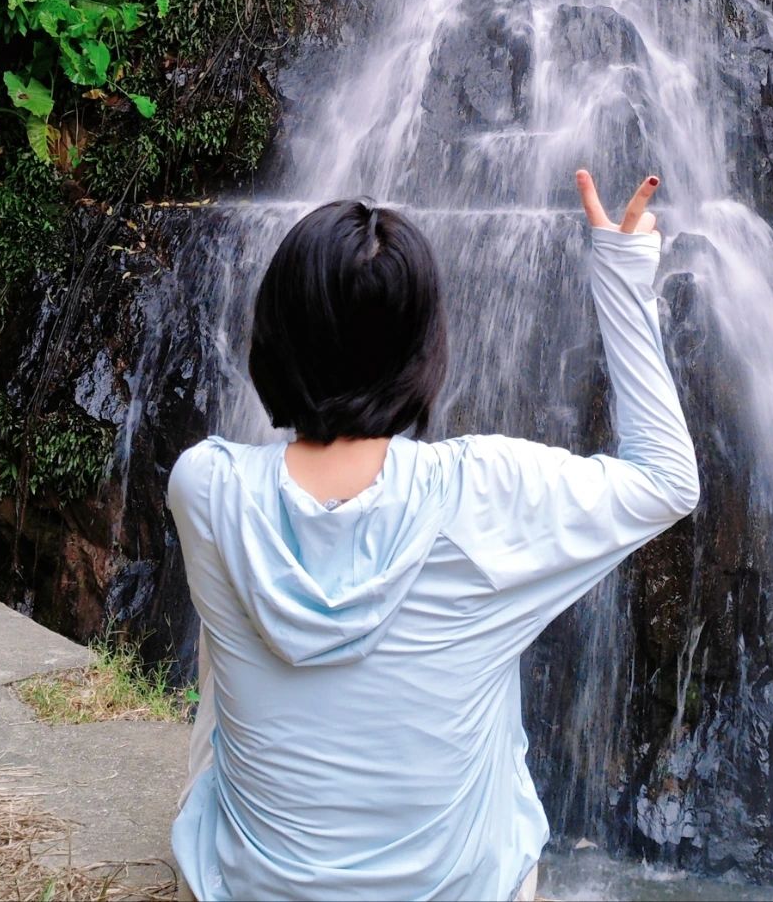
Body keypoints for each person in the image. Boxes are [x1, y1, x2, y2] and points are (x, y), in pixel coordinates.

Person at [167, 169, 699, 902]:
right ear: (427, 349)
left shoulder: (206, 486)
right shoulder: (483, 491)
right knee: (493, 621)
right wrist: (623, 275)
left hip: (249, 889)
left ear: (272, 337)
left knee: (225, 611)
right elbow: (669, 479)